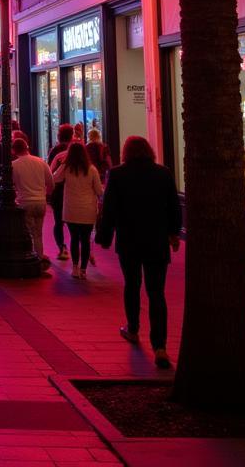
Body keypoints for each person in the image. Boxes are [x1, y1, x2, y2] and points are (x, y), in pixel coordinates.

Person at [97, 136, 182, 370]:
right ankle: (160, 346)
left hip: (129, 240)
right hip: (156, 240)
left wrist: (104, 237)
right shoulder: (162, 173)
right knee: (157, 293)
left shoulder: (118, 174)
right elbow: (173, 206)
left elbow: (110, 209)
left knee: (132, 285)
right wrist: (174, 233)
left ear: (126, 153)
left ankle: (133, 328)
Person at [52, 141, 104, 279]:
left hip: (71, 208)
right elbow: (99, 190)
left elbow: (55, 178)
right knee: (85, 240)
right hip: (87, 209)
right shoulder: (91, 169)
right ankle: (83, 269)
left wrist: (62, 164)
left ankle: (74, 267)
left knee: (74, 238)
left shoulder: (67, 168)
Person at [11, 137, 55, 265]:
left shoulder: (14, 165)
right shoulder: (40, 162)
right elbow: (51, 182)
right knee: (38, 232)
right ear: (27, 147)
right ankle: (39, 257)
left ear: (14, 150)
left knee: (28, 232)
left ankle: (29, 258)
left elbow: (10, 185)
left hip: (25, 201)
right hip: (40, 202)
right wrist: (45, 194)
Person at [47, 123, 75, 260]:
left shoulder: (55, 151)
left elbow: (49, 170)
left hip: (58, 190)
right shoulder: (77, 150)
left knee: (58, 221)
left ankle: (62, 247)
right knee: (72, 221)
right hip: (73, 189)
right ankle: (74, 245)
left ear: (59, 135)